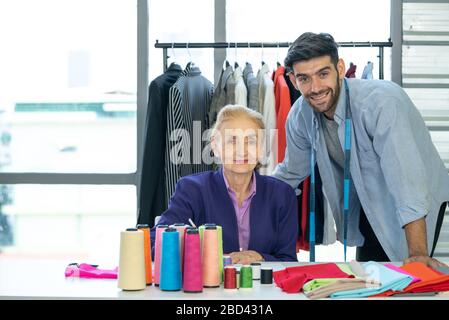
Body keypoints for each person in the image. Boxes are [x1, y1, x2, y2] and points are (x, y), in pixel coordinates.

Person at [273, 32, 449, 268]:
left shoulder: (380, 104)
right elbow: (291, 172)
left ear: (340, 68)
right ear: (294, 81)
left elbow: (408, 182)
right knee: (371, 277)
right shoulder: (299, 116)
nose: (315, 88)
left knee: (410, 274)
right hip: (366, 197)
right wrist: (244, 194)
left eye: (323, 74)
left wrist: (418, 254)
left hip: (415, 193)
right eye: (304, 78)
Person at [151, 105, 298, 263]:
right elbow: (156, 245)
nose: (242, 151)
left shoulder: (282, 195)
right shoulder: (191, 189)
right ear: (215, 145)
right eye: (232, 141)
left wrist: (260, 257)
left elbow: (288, 260)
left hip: (264, 287)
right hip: (208, 287)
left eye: (251, 141)